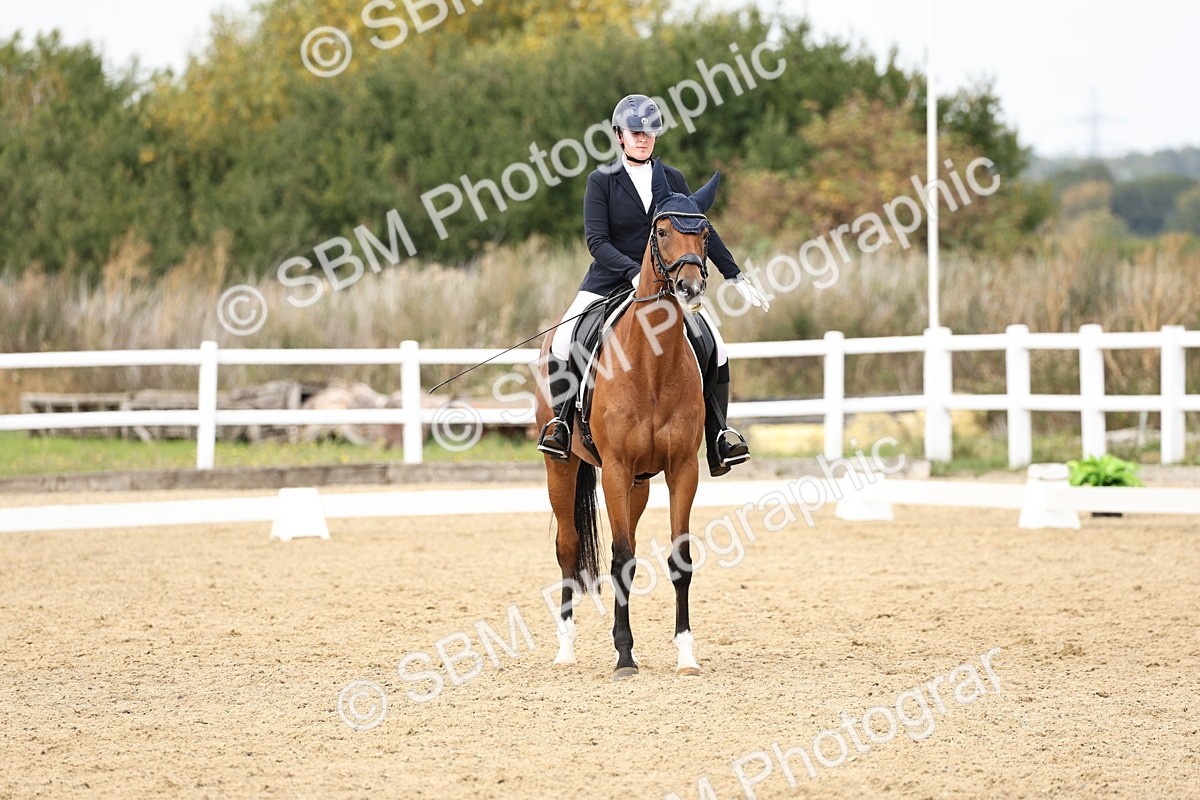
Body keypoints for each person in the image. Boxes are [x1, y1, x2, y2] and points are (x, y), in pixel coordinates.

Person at [537, 94, 770, 476]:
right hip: (610, 280)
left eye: (649, 132)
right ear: (619, 136)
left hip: (666, 286)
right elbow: (597, 242)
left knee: (717, 345)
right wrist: (632, 272)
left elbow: (697, 230)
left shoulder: (673, 179)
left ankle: (719, 435)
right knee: (564, 339)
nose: (643, 138)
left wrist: (735, 274)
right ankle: (562, 424)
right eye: (635, 132)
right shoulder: (602, 181)